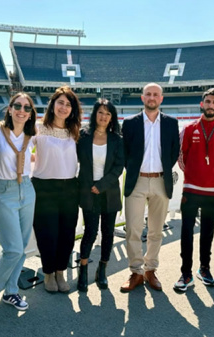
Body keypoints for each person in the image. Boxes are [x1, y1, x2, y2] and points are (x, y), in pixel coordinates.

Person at [0, 93, 37, 311]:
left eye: (27, 107)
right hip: (3, 190)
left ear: (31, 114)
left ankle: (11, 291)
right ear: (10, 109)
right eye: (17, 106)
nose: (22, 110)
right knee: (12, 248)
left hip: (28, 189)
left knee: (21, 249)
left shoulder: (33, 134)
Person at [120, 83, 180, 292]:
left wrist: (159, 171)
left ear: (161, 98)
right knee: (133, 230)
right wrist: (136, 171)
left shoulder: (171, 123)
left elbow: (173, 152)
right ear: (142, 97)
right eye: (148, 94)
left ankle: (150, 270)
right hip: (136, 181)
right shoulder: (129, 123)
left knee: (156, 231)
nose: (152, 97)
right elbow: (125, 152)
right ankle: (136, 271)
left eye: (156, 94)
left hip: (160, 181)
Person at [174, 88, 214, 292]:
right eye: (207, 101)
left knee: (207, 232)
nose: (210, 105)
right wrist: (192, 174)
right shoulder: (190, 128)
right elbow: (182, 155)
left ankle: (204, 269)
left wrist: (213, 173)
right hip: (191, 189)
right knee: (187, 232)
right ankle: (186, 273)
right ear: (202, 104)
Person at [32, 85, 82, 293]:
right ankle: (48, 273)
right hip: (44, 187)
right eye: (60, 102)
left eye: (68, 104)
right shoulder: (37, 128)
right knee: (47, 233)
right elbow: (19, 147)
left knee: (67, 234)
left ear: (72, 109)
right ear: (52, 105)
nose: (63, 107)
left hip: (70, 187)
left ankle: (61, 271)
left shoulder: (75, 131)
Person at [76, 99, 124, 292]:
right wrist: (90, 187)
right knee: (90, 232)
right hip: (88, 193)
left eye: (108, 113)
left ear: (112, 117)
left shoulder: (117, 140)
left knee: (108, 233)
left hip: (109, 193)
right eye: (100, 112)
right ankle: (83, 270)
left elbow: (118, 167)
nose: (103, 117)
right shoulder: (83, 136)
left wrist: (101, 185)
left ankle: (102, 271)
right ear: (95, 114)